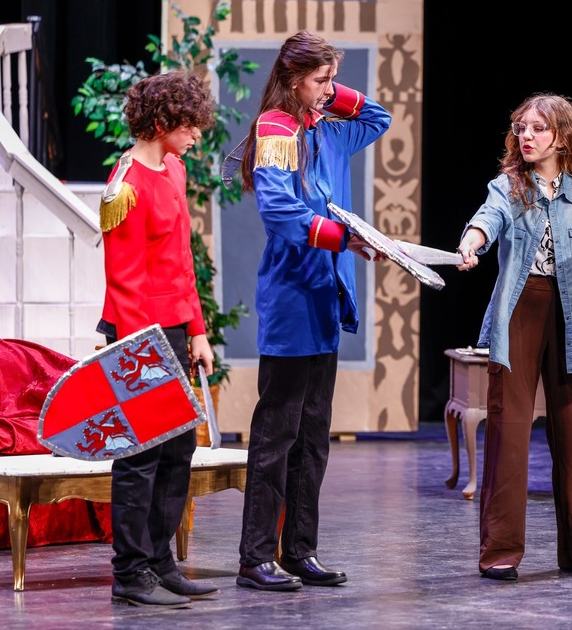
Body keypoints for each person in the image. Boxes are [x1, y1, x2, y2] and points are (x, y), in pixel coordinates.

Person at [234, 30, 391, 591]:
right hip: (293, 298)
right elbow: (279, 214)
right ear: (292, 79)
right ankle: (255, 557)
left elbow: (378, 119)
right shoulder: (277, 131)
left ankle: (300, 550)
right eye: (320, 79)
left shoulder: (325, 130)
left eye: (331, 79)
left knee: (315, 436)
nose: (330, 90)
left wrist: (329, 92)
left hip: (326, 297)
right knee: (277, 435)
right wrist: (342, 238)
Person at [456, 93, 572, 581]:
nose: (527, 136)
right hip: (520, 311)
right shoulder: (508, 186)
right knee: (509, 434)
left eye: (538, 128)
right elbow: (488, 218)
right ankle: (500, 552)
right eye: (522, 127)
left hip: (571, 315)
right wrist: (470, 242)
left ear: (562, 138)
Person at [97, 70, 218, 608]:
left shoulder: (173, 167)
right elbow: (123, 280)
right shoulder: (124, 187)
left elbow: (181, 262)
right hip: (140, 332)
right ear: (164, 122)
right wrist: (139, 353)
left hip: (173, 327)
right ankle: (130, 572)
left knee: (179, 447)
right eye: (190, 127)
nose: (196, 137)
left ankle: (160, 560)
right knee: (140, 455)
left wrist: (197, 331)